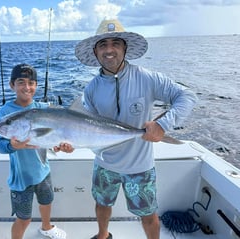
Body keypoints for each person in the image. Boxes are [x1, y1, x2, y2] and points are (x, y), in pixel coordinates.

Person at [75, 19, 197, 239]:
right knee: (102, 205)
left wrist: (162, 124)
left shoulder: (147, 77)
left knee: (148, 215)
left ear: (125, 48)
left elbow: (186, 95)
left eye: (115, 43)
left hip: (140, 166)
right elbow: (87, 129)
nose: (109, 50)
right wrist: (66, 141)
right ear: (95, 52)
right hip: (104, 164)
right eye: (102, 45)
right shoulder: (91, 90)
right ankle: (103, 236)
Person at [0, 64, 73, 239]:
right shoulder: (5, 112)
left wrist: (61, 146)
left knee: (46, 202)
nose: (27, 87)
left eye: (31, 83)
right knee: (24, 219)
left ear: (36, 86)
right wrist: (12, 146)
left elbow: (54, 137)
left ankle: (47, 227)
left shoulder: (43, 108)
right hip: (21, 178)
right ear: (12, 84)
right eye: (21, 82)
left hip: (43, 170)